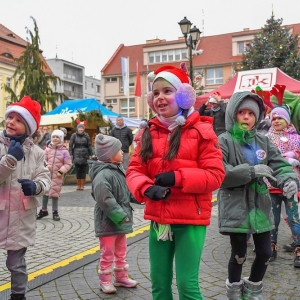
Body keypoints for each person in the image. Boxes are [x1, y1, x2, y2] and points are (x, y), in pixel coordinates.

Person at [126, 65, 225, 300]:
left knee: (186, 285)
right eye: (156, 92)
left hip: (190, 219)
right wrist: (145, 188)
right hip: (159, 220)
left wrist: (178, 178)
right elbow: (134, 170)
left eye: (167, 91)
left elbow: (215, 175)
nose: (160, 97)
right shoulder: (147, 132)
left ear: (183, 95)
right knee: (159, 284)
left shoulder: (203, 131)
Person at [217, 91, 299, 299]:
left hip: (260, 205)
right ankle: (234, 291)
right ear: (233, 115)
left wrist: (289, 180)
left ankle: (254, 288)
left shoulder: (263, 141)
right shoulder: (224, 140)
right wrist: (250, 171)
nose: (246, 117)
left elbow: (279, 165)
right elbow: (219, 172)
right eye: (241, 112)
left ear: (257, 117)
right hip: (235, 206)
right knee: (239, 254)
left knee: (265, 252)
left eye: (251, 114)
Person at [0, 95, 51, 300]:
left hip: (21, 218)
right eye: (10, 117)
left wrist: (36, 187)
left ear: (29, 128)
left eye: (19, 120)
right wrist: (9, 159)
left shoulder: (37, 152)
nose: (12, 122)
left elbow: (44, 179)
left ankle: (18, 295)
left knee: (16, 264)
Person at [88, 134, 138, 294]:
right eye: (119, 150)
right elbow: (106, 200)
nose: (122, 152)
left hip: (120, 221)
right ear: (109, 155)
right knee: (107, 252)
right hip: (108, 222)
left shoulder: (117, 170)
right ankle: (105, 280)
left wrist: (139, 197)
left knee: (121, 250)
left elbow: (125, 191)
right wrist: (121, 216)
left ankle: (121, 276)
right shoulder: (102, 176)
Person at [265, 105, 300, 266]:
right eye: (274, 118)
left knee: (293, 218)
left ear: (287, 120)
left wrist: (295, 157)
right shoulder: (267, 138)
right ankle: (271, 246)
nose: (276, 121)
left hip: (290, 185)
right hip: (272, 184)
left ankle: (298, 248)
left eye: (280, 118)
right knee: (273, 218)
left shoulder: (296, 138)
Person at [37, 129, 72, 221]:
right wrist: (46, 165)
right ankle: (43, 210)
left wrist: (61, 171)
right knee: (45, 192)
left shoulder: (65, 151)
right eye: (54, 137)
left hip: (58, 176)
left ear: (61, 139)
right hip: (47, 175)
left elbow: (68, 164)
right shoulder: (47, 150)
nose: (55, 139)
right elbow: (42, 160)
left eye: (57, 137)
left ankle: (55, 211)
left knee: (55, 194)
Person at [69, 123, 93, 190]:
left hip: (84, 154)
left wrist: (90, 153)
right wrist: (71, 153)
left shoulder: (86, 135)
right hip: (76, 154)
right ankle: (78, 185)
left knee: (83, 170)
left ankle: (82, 185)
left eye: (82, 128)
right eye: (79, 128)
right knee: (77, 170)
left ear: (83, 129)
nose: (80, 129)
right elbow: (71, 145)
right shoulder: (74, 135)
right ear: (77, 128)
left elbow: (89, 145)